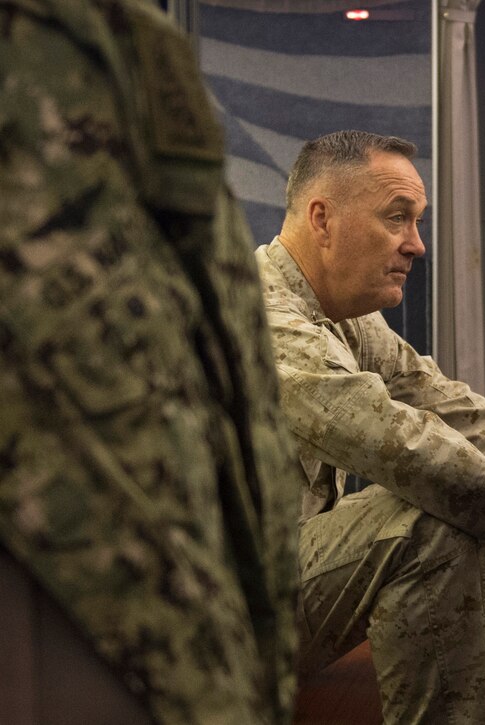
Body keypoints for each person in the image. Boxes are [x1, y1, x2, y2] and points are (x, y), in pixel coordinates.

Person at [0, 1, 301, 723]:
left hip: (198, 596)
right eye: (395, 216)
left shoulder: (122, 38)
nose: (414, 246)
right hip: (92, 575)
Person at [255, 130, 485, 724]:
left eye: (417, 222)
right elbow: (401, 444)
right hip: (213, 616)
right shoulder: (262, 316)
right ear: (322, 218)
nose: (416, 246)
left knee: (480, 501)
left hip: (278, 586)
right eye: (398, 218)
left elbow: (452, 408)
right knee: (436, 511)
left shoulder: (340, 316)